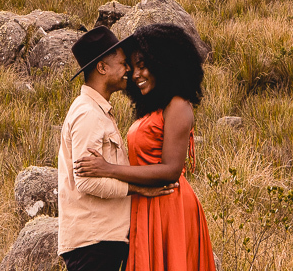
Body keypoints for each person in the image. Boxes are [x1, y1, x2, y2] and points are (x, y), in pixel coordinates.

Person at [75, 23, 217, 271]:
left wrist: (108, 169)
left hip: (169, 206)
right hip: (146, 203)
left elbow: (171, 170)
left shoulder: (179, 104)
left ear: (163, 63)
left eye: (142, 65)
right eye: (133, 66)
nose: (135, 73)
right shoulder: (154, 107)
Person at [58, 26, 176, 271]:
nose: (128, 70)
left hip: (102, 240)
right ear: (102, 68)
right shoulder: (87, 113)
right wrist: (138, 188)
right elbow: (87, 181)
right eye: (123, 63)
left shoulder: (98, 111)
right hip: (93, 242)